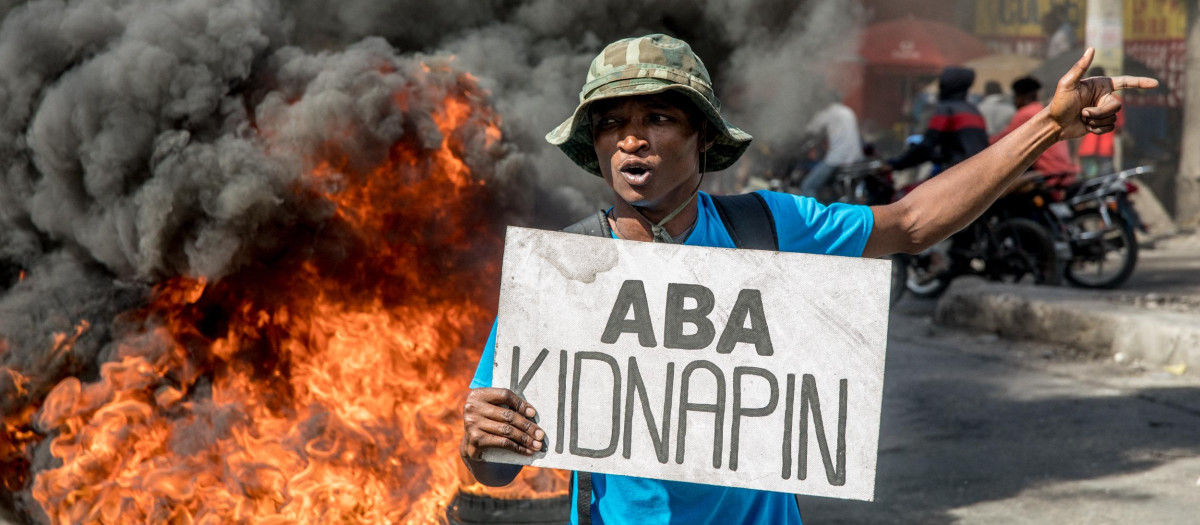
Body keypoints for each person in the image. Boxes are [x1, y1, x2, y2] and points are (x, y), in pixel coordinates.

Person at [460, 34, 1153, 525]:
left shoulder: (769, 225)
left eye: (658, 117)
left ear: (703, 136)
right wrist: (480, 436)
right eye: (611, 123)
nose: (631, 138)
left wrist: (1048, 128)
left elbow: (910, 223)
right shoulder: (561, 273)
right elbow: (495, 467)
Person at [886, 66, 989, 177]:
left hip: (956, 174)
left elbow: (928, 143)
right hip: (979, 171)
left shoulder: (946, 109)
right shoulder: (973, 110)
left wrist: (895, 165)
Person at [992, 76, 1080, 193]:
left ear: (1021, 97)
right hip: (1067, 171)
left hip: (1049, 174)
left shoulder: (1025, 114)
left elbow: (1004, 141)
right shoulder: (1045, 110)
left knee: (1001, 192)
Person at [797, 93, 864, 197]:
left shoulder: (829, 113)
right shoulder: (848, 111)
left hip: (838, 158)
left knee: (807, 186)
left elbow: (810, 129)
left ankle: (812, 213)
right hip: (856, 157)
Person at [1077, 66, 1124, 179]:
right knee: (1104, 186)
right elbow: (1119, 127)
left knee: (1089, 186)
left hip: (1087, 148)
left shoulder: (1083, 100)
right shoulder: (1115, 100)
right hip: (1105, 149)